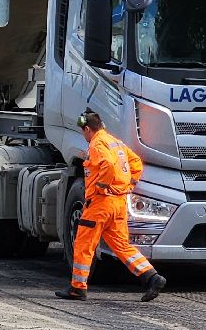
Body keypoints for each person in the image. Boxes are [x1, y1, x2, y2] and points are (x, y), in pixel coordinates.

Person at [59, 109, 168, 303]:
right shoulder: (115, 142)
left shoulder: (97, 143)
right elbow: (135, 162)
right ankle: (152, 277)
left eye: (83, 131)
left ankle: (77, 288)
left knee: (84, 244)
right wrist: (130, 184)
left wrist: (103, 185)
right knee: (121, 246)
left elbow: (108, 165)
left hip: (100, 204)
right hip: (118, 204)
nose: (83, 135)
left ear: (87, 129)